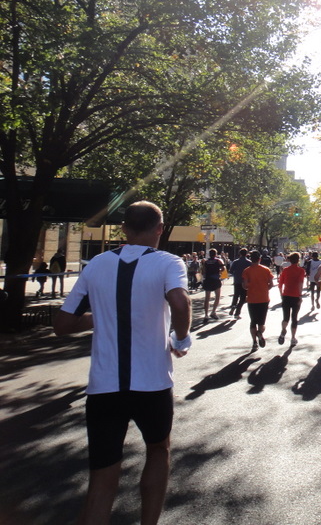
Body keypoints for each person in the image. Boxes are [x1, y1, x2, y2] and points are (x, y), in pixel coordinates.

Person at [53, 201, 191, 525]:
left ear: (124, 230)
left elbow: (61, 324)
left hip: (104, 386)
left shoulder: (96, 265)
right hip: (153, 383)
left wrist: (102, 314)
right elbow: (180, 301)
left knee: (102, 475)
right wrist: (180, 339)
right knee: (158, 450)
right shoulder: (169, 262)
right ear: (159, 229)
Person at [242, 250, 274, 352]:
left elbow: (244, 285)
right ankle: (260, 333)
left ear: (251, 259)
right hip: (264, 298)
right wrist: (265, 289)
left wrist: (250, 288)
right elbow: (271, 284)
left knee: (253, 321)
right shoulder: (266, 270)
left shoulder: (246, 271)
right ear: (259, 259)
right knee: (261, 322)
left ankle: (254, 342)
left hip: (252, 298)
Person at [277, 252, 305, 347]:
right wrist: (300, 296)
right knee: (294, 317)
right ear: (298, 260)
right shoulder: (301, 271)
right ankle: (293, 337)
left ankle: (283, 330)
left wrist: (282, 295)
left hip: (286, 295)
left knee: (285, 317)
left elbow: (280, 284)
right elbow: (300, 283)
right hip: (296, 296)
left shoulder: (285, 270)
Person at [227, 248, 251, 318]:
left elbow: (231, 271)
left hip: (237, 281)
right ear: (246, 254)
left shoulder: (235, 262)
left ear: (239, 254)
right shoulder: (249, 262)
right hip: (245, 282)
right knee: (243, 298)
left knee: (236, 295)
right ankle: (237, 312)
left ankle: (233, 305)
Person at [201, 248, 224, 320]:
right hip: (216, 280)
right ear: (216, 254)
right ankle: (213, 312)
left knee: (207, 298)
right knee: (217, 296)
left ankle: (206, 315)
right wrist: (219, 271)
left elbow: (203, 271)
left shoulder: (206, 262)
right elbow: (223, 268)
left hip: (208, 280)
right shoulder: (218, 261)